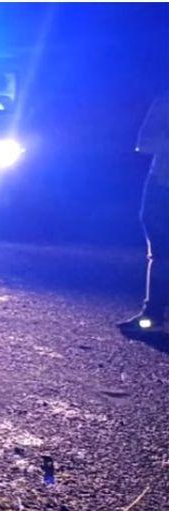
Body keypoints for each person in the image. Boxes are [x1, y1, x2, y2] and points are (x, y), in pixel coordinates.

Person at [119, 92, 169, 336]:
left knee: (161, 253)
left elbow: (145, 144)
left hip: (162, 183)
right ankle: (153, 314)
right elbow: (144, 144)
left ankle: (153, 315)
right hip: (162, 181)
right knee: (160, 252)